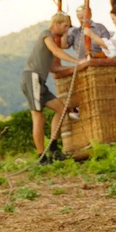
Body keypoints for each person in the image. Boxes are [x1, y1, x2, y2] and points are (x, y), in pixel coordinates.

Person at [23, 11, 77, 160]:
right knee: (38, 117)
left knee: (61, 109)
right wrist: (76, 61)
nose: (67, 29)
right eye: (65, 26)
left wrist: (76, 67)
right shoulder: (46, 34)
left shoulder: (51, 41)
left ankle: (53, 147)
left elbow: (54, 68)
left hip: (40, 82)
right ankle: (42, 157)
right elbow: (56, 51)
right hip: (32, 78)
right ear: (56, 24)